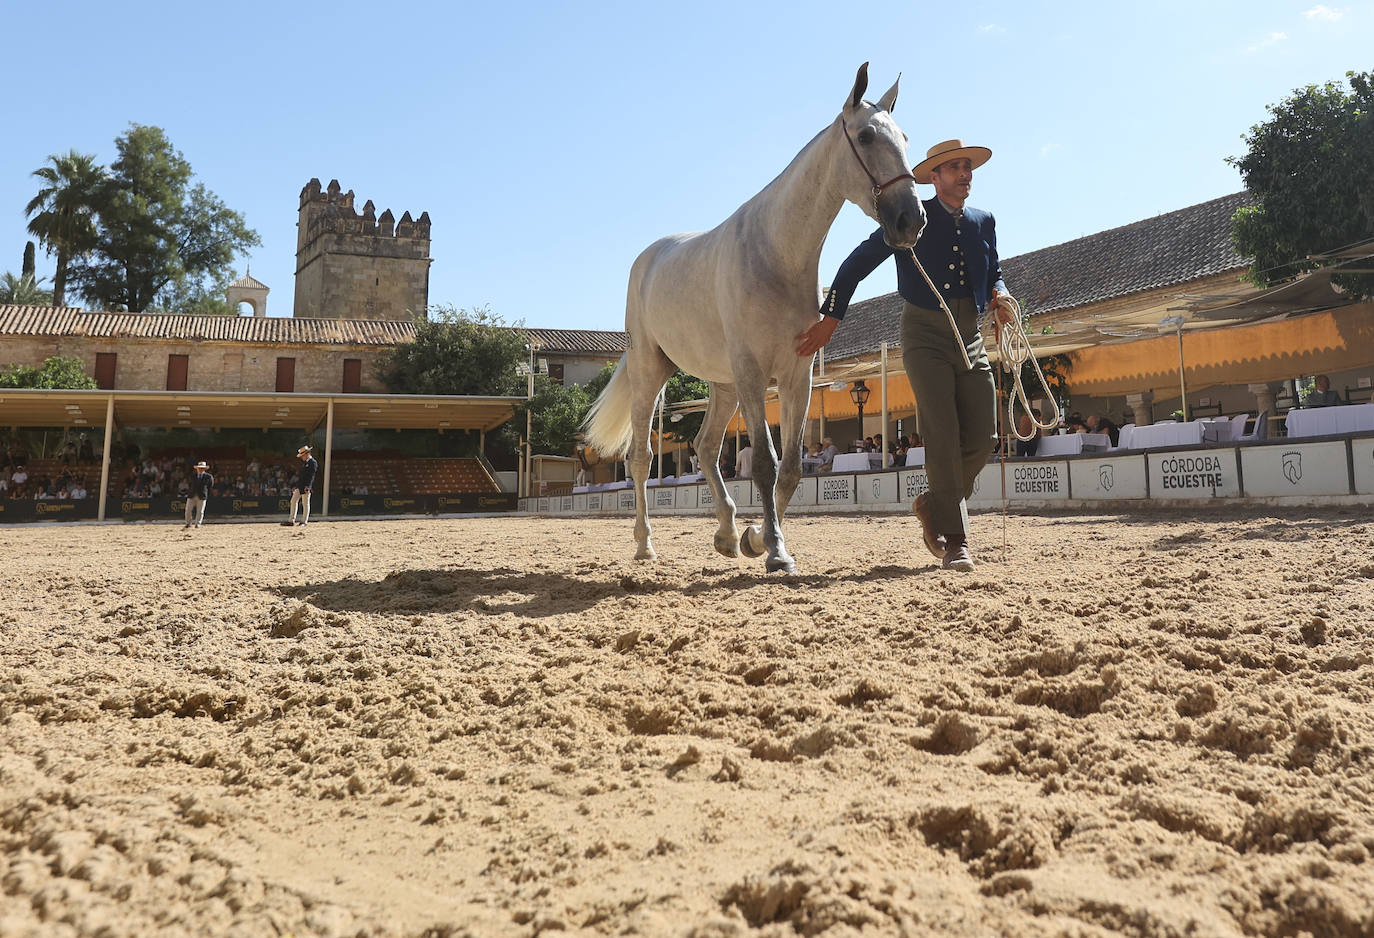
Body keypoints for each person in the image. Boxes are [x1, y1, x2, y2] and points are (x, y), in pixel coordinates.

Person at [796, 138, 1017, 572]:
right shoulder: (911, 217)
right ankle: (956, 541)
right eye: (953, 168)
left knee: (985, 435)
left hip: (971, 336)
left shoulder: (983, 221)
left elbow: (995, 274)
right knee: (943, 432)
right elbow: (856, 263)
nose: (964, 174)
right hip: (923, 335)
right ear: (933, 177)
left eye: (967, 167)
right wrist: (830, 320)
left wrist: (1002, 296)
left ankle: (934, 504)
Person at [283, 445, 318, 527]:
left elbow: (311, 476)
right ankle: (291, 520)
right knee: (293, 501)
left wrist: (308, 486)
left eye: (303, 455)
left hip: (306, 486)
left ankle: (304, 521)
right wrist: (297, 486)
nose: (302, 457)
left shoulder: (313, 462)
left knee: (305, 503)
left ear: (307, 454)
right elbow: (302, 476)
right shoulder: (305, 463)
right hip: (300, 486)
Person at [185, 460, 213, 529]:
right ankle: (188, 523)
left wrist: (205, 493)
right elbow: (189, 484)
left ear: (204, 469)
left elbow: (210, 486)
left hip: (202, 496)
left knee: (200, 511)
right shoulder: (192, 476)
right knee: (188, 509)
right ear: (197, 468)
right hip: (192, 495)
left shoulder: (209, 477)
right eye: (199, 468)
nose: (200, 469)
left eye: (202, 468)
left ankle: (198, 524)